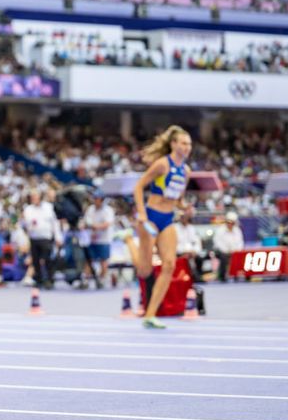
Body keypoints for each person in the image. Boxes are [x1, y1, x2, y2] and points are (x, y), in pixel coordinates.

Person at [126, 125, 192, 329]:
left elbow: (178, 199)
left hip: (168, 219)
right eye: (183, 143)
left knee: (169, 265)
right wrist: (142, 213)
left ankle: (151, 315)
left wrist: (185, 207)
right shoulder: (162, 164)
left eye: (189, 143)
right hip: (151, 217)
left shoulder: (186, 171)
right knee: (145, 271)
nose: (187, 147)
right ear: (173, 144)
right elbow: (138, 186)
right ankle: (128, 239)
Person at [23, 190, 61, 290]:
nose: (34, 199)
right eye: (32, 197)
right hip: (34, 237)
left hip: (46, 237)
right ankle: (39, 279)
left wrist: (58, 237)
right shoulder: (28, 209)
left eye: (36, 197)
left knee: (47, 259)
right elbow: (27, 223)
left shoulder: (49, 207)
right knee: (35, 261)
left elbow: (54, 223)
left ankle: (49, 279)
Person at [84, 191, 115, 288]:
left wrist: (95, 227)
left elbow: (107, 224)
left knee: (103, 260)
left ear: (102, 200)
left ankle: (101, 280)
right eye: (95, 199)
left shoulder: (108, 210)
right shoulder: (90, 209)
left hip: (104, 239)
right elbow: (87, 222)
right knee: (89, 260)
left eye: (98, 199)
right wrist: (91, 227)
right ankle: (85, 281)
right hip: (92, 239)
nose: (96, 201)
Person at [174, 208, 205, 283]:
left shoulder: (192, 228)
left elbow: (197, 242)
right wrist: (183, 252)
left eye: (186, 217)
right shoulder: (174, 228)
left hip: (192, 252)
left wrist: (194, 251)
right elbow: (174, 244)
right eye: (183, 217)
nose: (184, 219)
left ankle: (198, 277)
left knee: (200, 258)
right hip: (179, 252)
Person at [213, 211, 244, 282]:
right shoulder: (220, 230)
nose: (230, 224)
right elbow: (218, 243)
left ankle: (237, 274)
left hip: (235, 251)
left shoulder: (237, 230)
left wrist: (235, 251)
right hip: (222, 251)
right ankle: (222, 276)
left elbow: (240, 243)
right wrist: (227, 251)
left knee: (240, 256)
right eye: (229, 222)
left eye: (232, 222)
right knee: (224, 256)